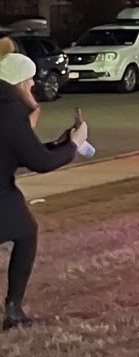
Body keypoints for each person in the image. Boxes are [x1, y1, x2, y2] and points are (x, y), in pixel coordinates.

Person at [0, 49, 94, 330]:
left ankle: (14, 309)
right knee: (26, 233)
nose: (33, 86)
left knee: (25, 229)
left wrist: (61, 143)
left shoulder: (6, 107)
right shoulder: (11, 111)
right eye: (29, 80)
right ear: (18, 81)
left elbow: (26, 153)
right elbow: (40, 163)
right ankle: (14, 309)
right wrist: (74, 145)